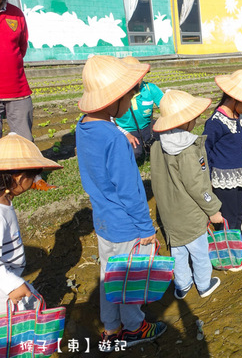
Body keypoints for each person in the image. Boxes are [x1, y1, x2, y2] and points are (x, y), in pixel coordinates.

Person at [75, 55, 166, 350]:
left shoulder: (83, 128)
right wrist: (146, 227)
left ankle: (111, 328)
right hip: (126, 224)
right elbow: (130, 190)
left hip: (103, 221)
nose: (132, 97)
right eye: (129, 92)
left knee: (108, 275)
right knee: (129, 279)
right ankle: (134, 326)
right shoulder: (115, 139)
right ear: (113, 98)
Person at [150, 89, 223, 299]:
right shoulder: (188, 149)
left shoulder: (157, 145)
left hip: (168, 212)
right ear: (187, 120)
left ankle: (182, 285)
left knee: (178, 250)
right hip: (189, 213)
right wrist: (213, 210)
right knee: (199, 251)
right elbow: (198, 186)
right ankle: (203, 284)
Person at [203, 69, 242, 267]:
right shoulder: (216, 122)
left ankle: (239, 244)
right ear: (235, 98)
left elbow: (238, 145)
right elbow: (206, 151)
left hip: (238, 174)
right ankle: (228, 254)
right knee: (228, 216)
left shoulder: (236, 116)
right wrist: (209, 180)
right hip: (223, 178)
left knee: (240, 212)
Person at [0, 0, 54, 191]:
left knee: (24, 137)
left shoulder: (15, 13)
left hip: (17, 88)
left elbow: (21, 46)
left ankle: (33, 179)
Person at [0, 133, 62, 314]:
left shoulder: (5, 201)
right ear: (19, 177)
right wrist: (12, 285)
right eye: (34, 175)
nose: (35, 180)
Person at [114, 56, 163, 160]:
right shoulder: (116, 93)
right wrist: (125, 134)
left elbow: (166, 106)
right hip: (127, 130)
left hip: (147, 127)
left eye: (139, 75)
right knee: (136, 153)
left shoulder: (150, 88)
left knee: (164, 138)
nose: (136, 79)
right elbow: (107, 120)